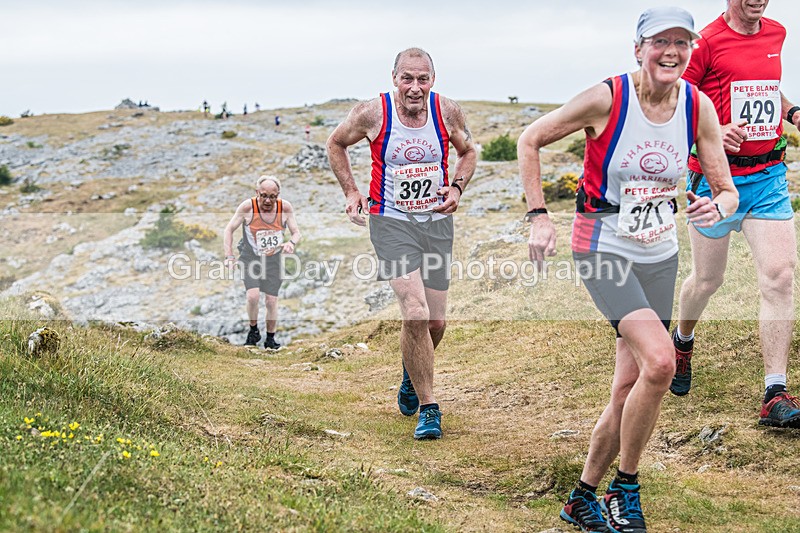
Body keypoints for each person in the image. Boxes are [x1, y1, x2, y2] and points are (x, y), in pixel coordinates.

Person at [518, 7, 738, 532]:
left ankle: (581, 497)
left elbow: (726, 190)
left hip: (659, 254)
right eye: (659, 41)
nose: (671, 52)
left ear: (691, 51)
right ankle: (626, 488)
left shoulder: (697, 105)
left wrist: (718, 207)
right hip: (602, 247)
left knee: (630, 384)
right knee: (662, 363)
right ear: (637, 48)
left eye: (681, 43)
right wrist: (539, 217)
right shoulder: (608, 97)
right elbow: (530, 140)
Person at [326, 47, 476, 440]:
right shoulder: (371, 113)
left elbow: (468, 152)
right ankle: (430, 407)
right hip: (391, 222)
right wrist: (351, 191)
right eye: (407, 78)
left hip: (436, 223)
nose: (415, 87)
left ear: (433, 79)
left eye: (422, 78)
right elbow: (335, 143)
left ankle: (412, 375)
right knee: (415, 312)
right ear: (394, 78)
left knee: (436, 322)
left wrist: (457, 189)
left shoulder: (447, 111)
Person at [670, 0, 800, 429]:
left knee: (780, 275)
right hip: (714, 179)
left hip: (768, 178)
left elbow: (765, 87)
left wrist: (792, 112)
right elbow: (675, 101)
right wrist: (711, 130)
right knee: (708, 280)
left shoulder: (776, 33)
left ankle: (774, 393)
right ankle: (682, 341)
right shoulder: (705, 42)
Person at [223, 175, 301, 350]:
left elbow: (296, 232)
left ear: (278, 195)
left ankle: (270, 339)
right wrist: (229, 256)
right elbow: (229, 229)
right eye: (263, 195)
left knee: (271, 301)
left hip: (273, 260)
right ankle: (253, 330)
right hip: (250, 258)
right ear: (257, 192)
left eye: (272, 197)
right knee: (253, 296)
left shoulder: (285, 208)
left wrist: (291, 243)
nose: (267, 200)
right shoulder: (247, 207)